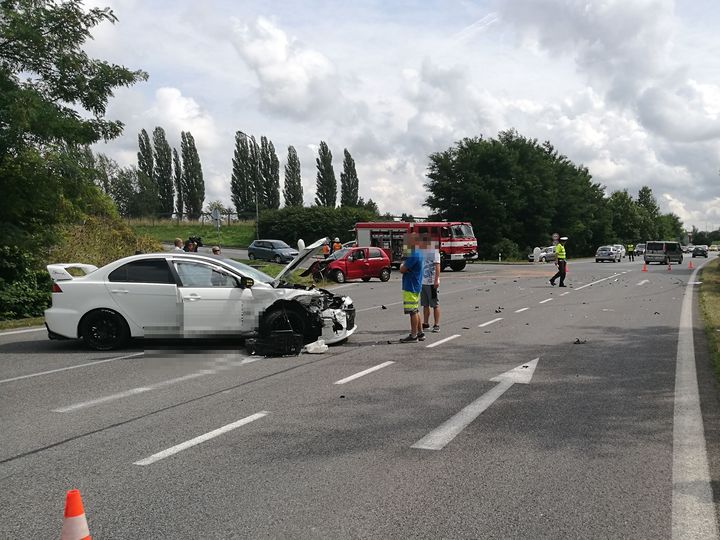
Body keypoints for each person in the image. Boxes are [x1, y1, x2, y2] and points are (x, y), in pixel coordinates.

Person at [399, 233, 424, 342]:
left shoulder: (413, 254)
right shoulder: (418, 252)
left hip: (411, 286)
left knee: (412, 311)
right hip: (415, 284)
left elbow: (402, 269)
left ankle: (413, 335)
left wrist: (402, 264)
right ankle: (420, 333)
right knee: (416, 310)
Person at [420, 236, 441, 333]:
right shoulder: (421, 253)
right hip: (423, 282)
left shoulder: (434, 253)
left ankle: (436, 324)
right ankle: (425, 323)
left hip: (431, 282)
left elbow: (437, 267)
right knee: (425, 304)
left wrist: (436, 280)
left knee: (435, 304)